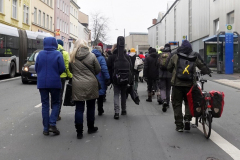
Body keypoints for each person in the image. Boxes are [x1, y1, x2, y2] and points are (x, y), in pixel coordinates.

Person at [167, 40, 211, 132]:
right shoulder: (194, 55)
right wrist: (207, 71)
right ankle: (187, 119)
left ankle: (179, 125)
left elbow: (169, 67)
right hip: (190, 84)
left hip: (177, 84)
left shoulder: (176, 55)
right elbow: (202, 66)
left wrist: (174, 72)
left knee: (177, 104)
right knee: (189, 102)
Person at [70, 39, 101, 139]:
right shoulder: (91, 56)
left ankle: (79, 132)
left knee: (79, 109)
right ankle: (90, 127)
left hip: (77, 84)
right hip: (91, 84)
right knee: (91, 107)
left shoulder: (72, 56)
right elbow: (98, 69)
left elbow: (71, 70)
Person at [35, 37, 65, 136]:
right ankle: (52, 123)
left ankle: (45, 128)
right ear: (55, 44)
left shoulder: (40, 54)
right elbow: (62, 68)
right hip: (55, 82)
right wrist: (56, 74)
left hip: (42, 83)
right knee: (56, 103)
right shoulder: (58, 54)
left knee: (45, 104)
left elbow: (36, 68)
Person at [107, 44, 132, 119]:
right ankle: (123, 110)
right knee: (123, 94)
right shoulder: (126, 56)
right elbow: (130, 67)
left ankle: (116, 112)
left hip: (115, 78)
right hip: (125, 78)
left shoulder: (112, 56)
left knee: (116, 94)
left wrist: (110, 78)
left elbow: (109, 68)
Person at [92, 46, 111, 116]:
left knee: (92, 95)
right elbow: (104, 69)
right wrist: (108, 78)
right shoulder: (101, 58)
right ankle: (100, 109)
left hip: (91, 78)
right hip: (100, 78)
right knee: (100, 94)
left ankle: (91, 111)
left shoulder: (90, 57)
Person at [56, 39, 72, 121]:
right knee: (60, 95)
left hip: (54, 76)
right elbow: (66, 67)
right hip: (62, 77)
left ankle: (53, 110)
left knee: (53, 95)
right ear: (62, 45)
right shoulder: (65, 53)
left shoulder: (53, 52)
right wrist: (70, 76)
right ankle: (57, 113)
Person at [158, 44, 173, 112]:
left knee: (162, 88)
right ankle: (167, 102)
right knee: (168, 89)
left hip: (161, 74)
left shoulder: (160, 55)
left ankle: (163, 100)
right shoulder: (172, 55)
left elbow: (157, 64)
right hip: (169, 74)